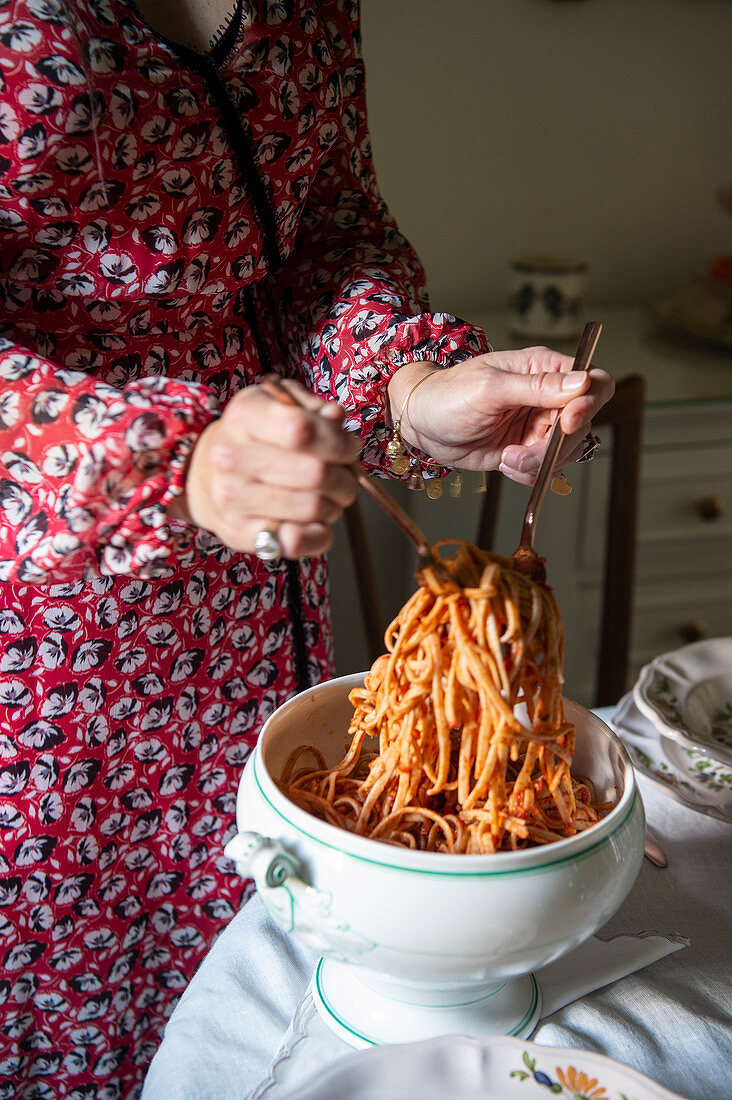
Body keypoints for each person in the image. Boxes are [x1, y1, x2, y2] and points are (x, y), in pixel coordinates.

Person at [0, 0, 613, 1095]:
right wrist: (162, 462)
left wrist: (410, 390)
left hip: (254, 608)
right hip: (42, 652)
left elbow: (327, 238)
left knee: (274, 984)